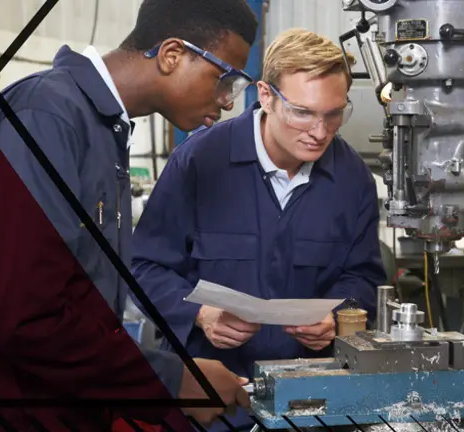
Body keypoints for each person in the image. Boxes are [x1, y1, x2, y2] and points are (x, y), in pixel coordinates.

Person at [0, 0, 258, 430]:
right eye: (224, 79)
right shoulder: (45, 116)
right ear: (172, 54)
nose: (228, 102)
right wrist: (173, 380)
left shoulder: (104, 129)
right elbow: (22, 318)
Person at [131, 28, 387, 430]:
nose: (320, 132)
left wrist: (338, 317)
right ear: (266, 96)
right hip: (212, 406)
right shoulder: (199, 162)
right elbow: (144, 267)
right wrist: (199, 314)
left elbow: (364, 277)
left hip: (312, 406)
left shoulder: (353, 180)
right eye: (302, 112)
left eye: (333, 113)